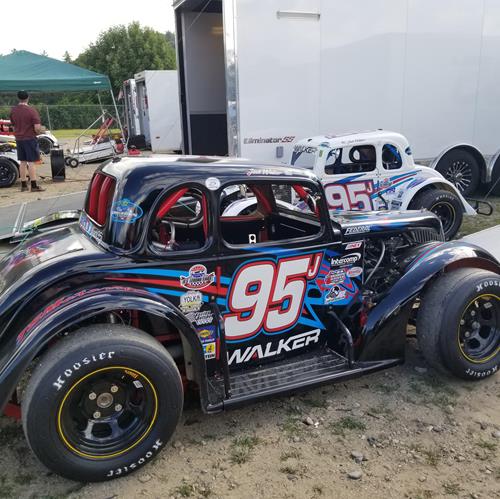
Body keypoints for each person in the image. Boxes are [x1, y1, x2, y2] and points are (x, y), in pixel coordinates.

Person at [9, 90, 45, 192]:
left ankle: (24, 185)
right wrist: (39, 131)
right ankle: (34, 185)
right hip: (29, 138)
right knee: (31, 162)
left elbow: (13, 126)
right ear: (28, 98)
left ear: (18, 98)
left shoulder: (13, 110)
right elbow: (37, 128)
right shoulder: (31, 111)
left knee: (22, 162)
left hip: (19, 138)